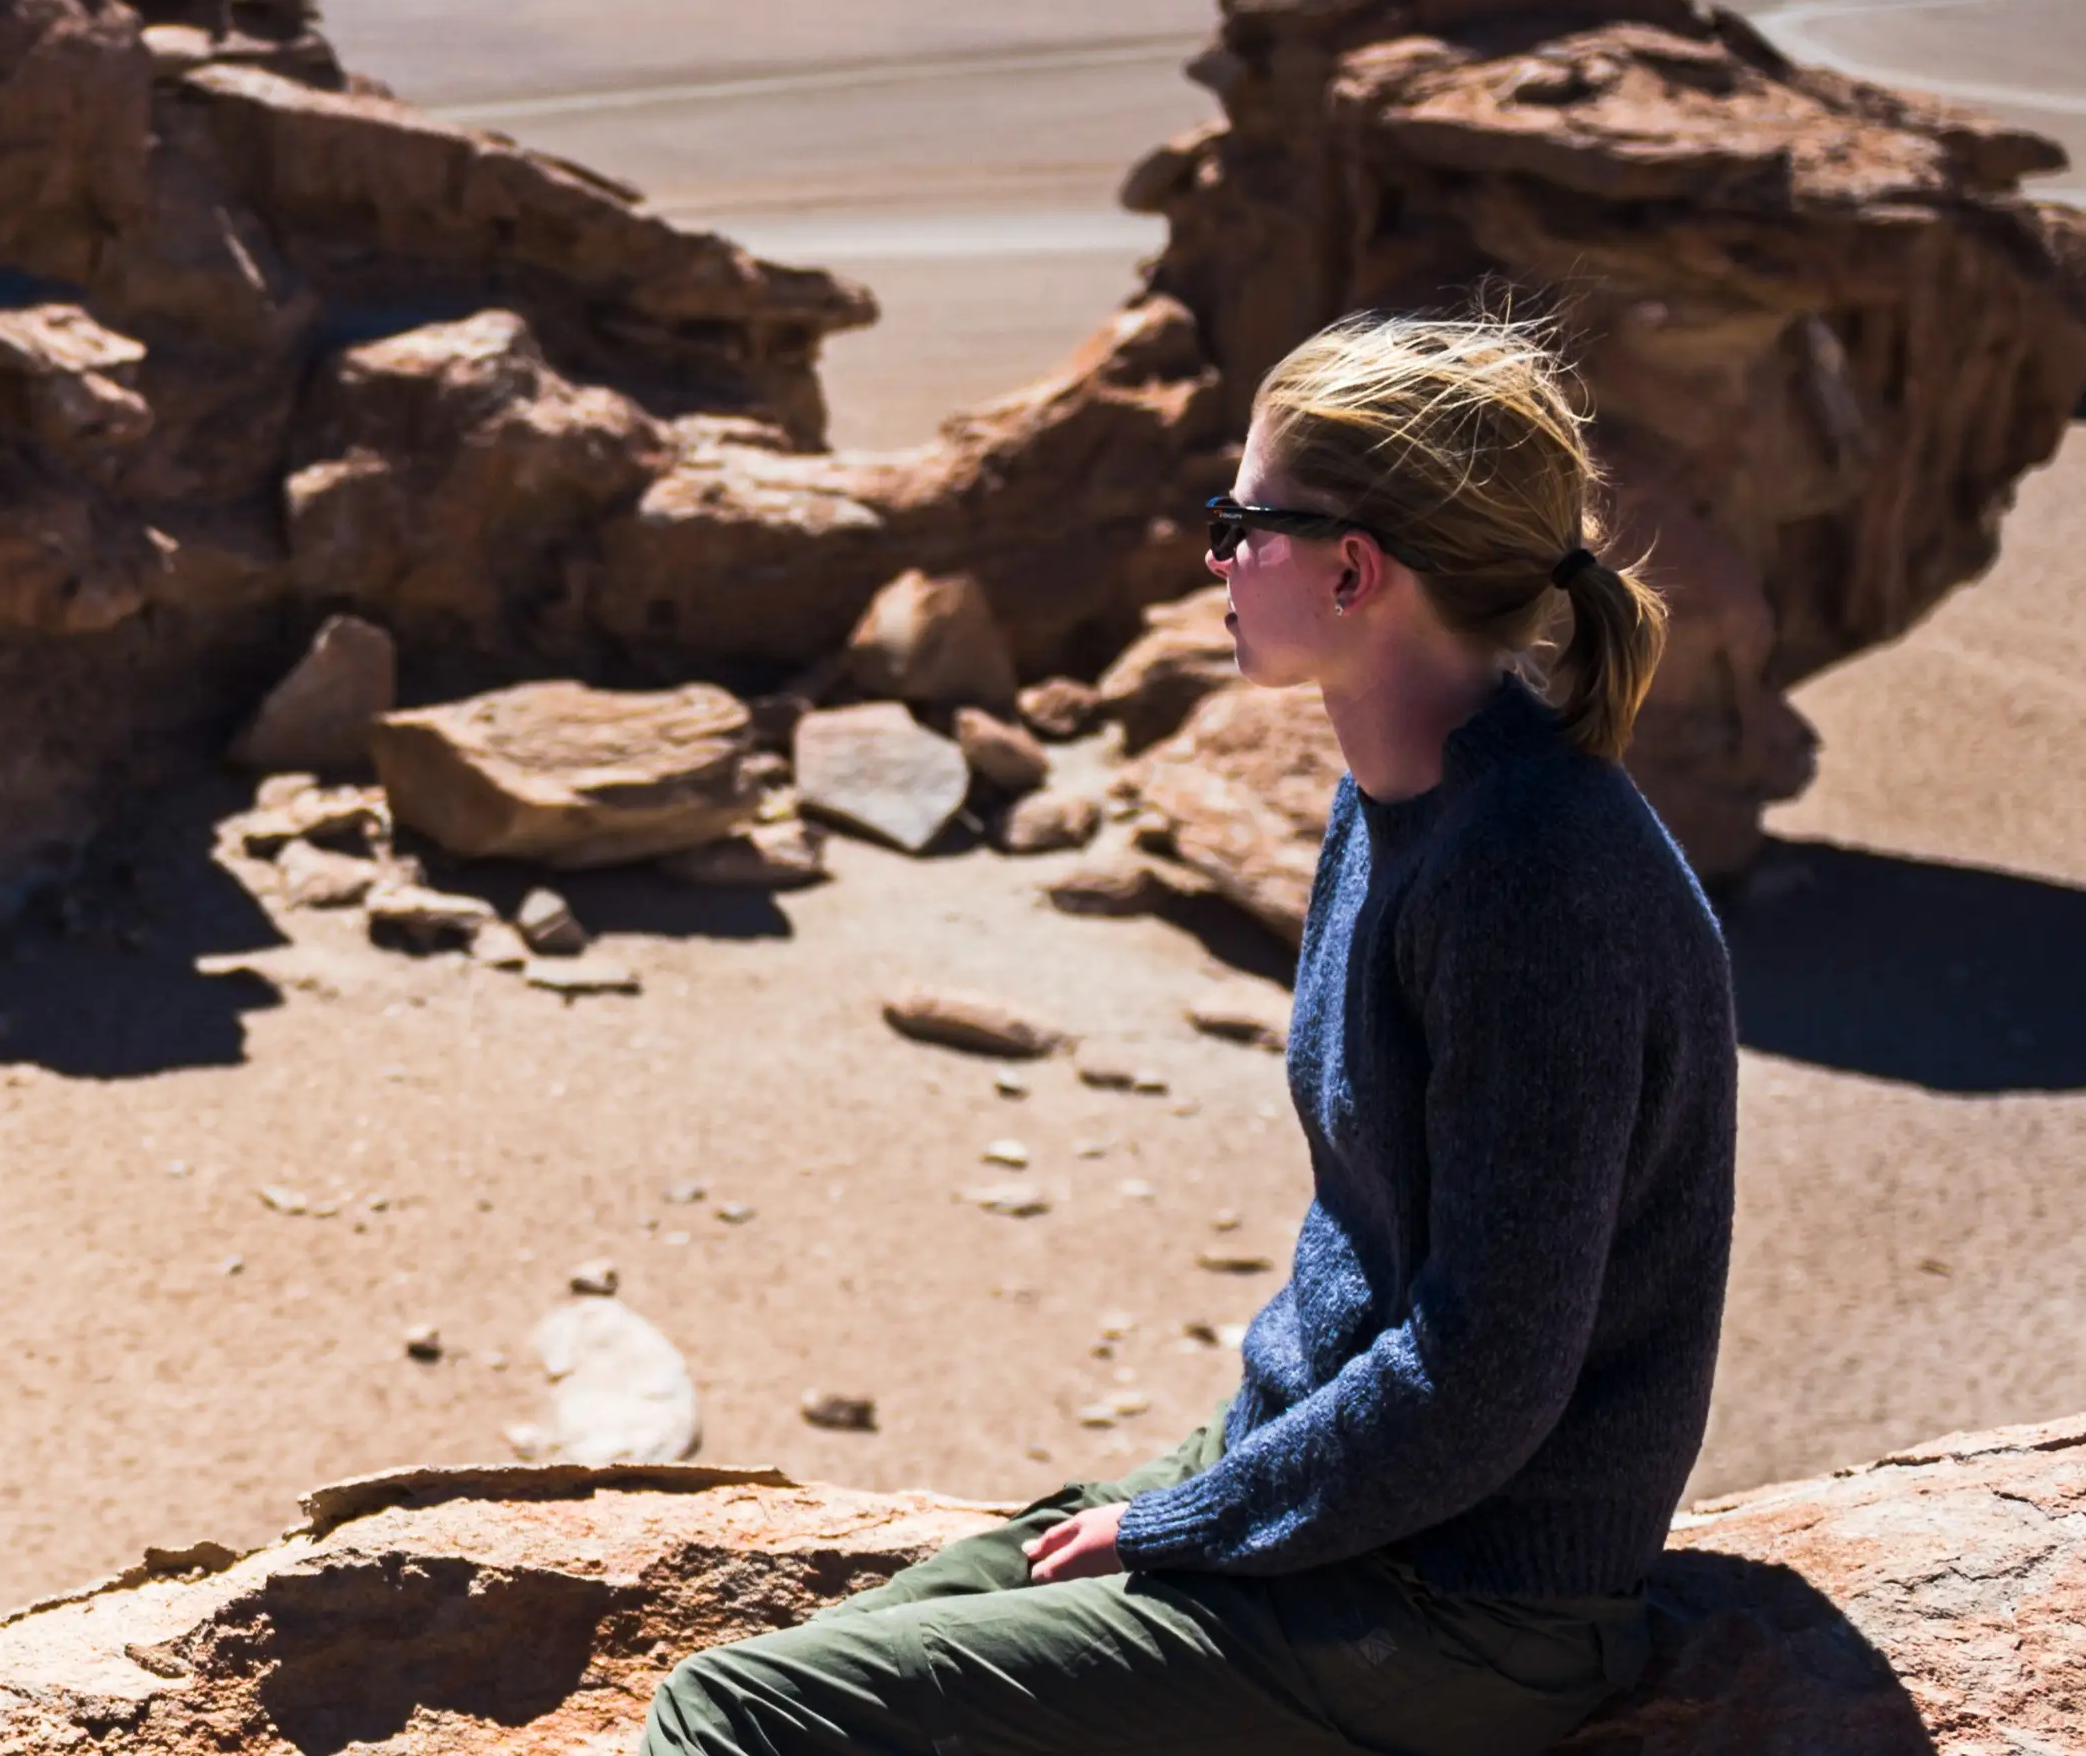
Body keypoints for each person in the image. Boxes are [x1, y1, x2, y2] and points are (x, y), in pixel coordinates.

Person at [643, 312, 1740, 1756]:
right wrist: (1214, 1494)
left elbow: (1489, 1370)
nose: (1214, 557)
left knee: (737, 1713)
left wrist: (1190, 1523)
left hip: (1463, 1601)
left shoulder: (1533, 872)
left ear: (1354, 569)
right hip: (1331, 1497)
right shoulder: (1406, 794)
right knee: (834, 1657)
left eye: (1245, 522)